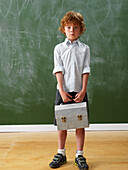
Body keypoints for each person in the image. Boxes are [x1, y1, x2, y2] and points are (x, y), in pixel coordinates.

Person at [49, 11, 90, 170]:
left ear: (81, 30)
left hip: (79, 91)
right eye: (69, 27)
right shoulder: (58, 48)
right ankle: (61, 153)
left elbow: (86, 70)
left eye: (75, 27)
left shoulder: (85, 49)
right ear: (63, 29)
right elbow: (58, 70)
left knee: (80, 125)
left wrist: (83, 90)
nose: (72, 30)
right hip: (63, 92)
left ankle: (79, 154)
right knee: (62, 125)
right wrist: (62, 90)